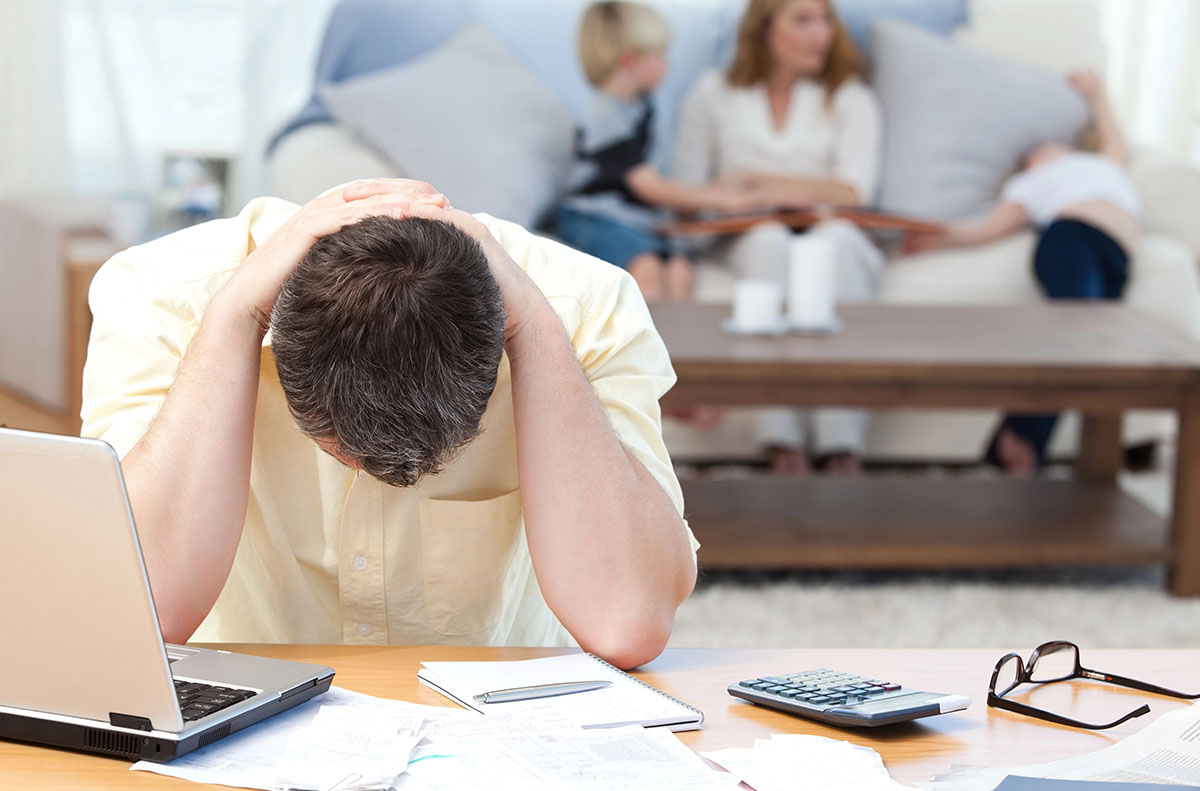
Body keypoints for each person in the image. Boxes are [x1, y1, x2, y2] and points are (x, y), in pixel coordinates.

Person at [80, 178, 699, 670]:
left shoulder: (585, 306)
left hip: (489, 726)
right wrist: (235, 318)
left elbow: (627, 621)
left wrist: (535, 330)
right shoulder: (160, 295)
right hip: (239, 716)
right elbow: (131, 617)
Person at [673, 0, 884, 476]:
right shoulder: (714, 93)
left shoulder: (851, 98)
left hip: (830, 225)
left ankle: (839, 445)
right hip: (747, 230)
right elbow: (687, 194)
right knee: (770, 242)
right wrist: (732, 198)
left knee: (836, 246)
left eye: (825, 19)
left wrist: (759, 182)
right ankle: (781, 439)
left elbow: (854, 191)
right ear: (765, 28)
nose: (820, 34)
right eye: (803, 20)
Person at [906, 71, 1139, 476]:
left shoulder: (1102, 164)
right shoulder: (1029, 185)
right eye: (1032, 154)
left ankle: (1014, 439)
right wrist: (938, 239)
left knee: (1092, 348)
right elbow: (986, 229)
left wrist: (1098, 95)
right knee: (1076, 332)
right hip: (1071, 241)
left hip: (1115, 258)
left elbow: (1114, 137)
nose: (1043, 152)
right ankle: (1022, 439)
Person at [556, 1, 759, 301]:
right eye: (659, 55)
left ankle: (679, 347)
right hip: (595, 217)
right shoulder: (604, 116)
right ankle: (642, 347)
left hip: (634, 218)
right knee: (646, 267)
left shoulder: (642, 106)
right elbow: (648, 186)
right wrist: (720, 198)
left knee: (680, 268)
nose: (667, 64)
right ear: (629, 61)